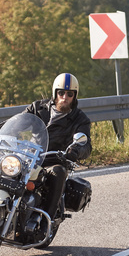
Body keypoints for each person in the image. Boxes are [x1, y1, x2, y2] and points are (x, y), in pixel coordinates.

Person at [22, 72, 92, 227]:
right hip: (31, 156)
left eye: (69, 94)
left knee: (58, 172)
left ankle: (47, 218)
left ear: (75, 96)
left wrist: (75, 151)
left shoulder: (80, 119)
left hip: (54, 160)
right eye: (61, 93)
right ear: (55, 93)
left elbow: (86, 145)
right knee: (3, 165)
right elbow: (19, 121)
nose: (64, 97)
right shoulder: (37, 108)